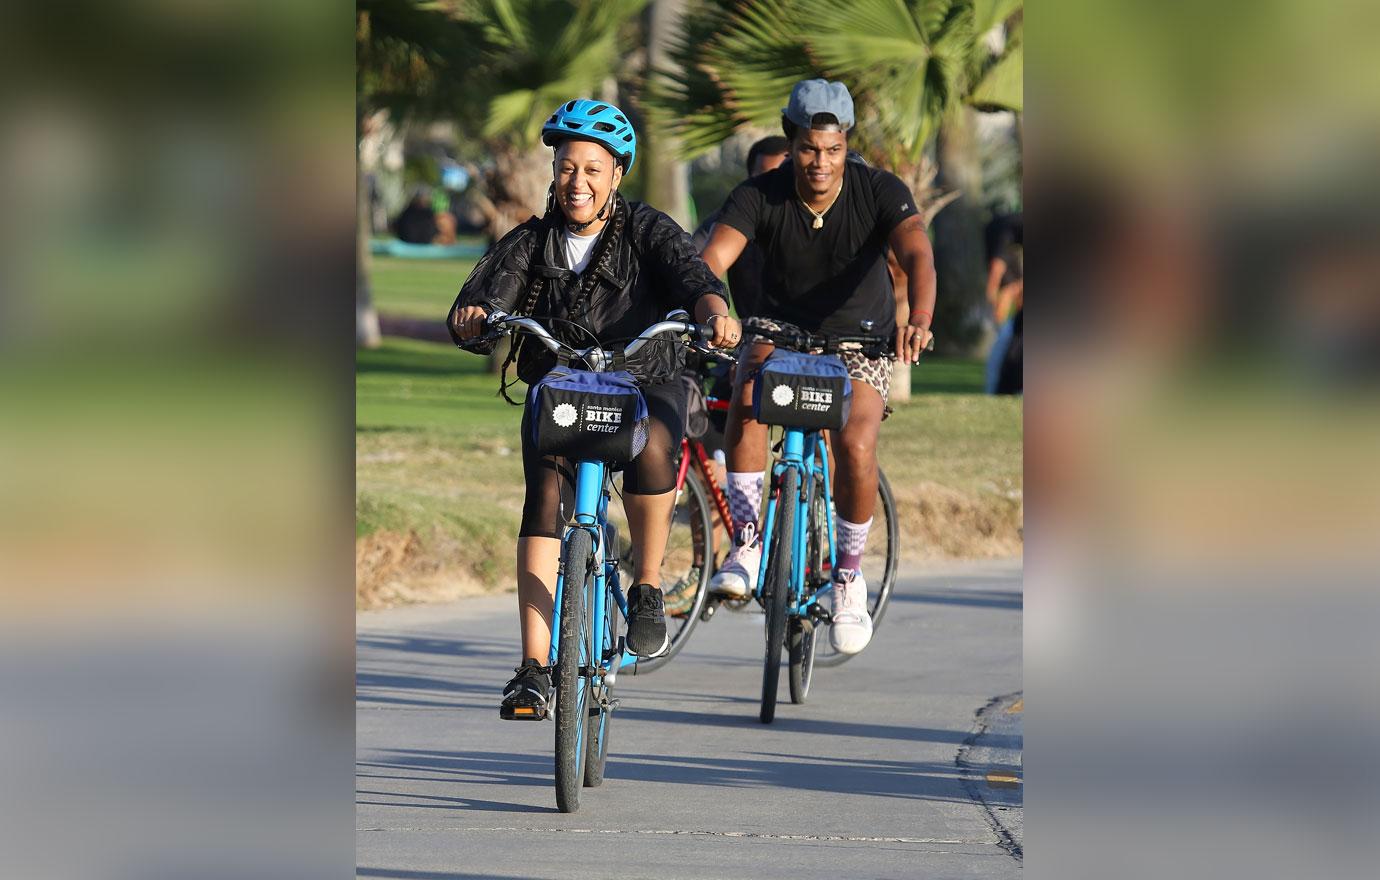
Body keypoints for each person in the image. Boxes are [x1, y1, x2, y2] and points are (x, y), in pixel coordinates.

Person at [447, 99, 741, 719]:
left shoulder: (648, 230)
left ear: (616, 176)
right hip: (563, 382)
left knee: (655, 443)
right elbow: (486, 290)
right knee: (543, 494)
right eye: (565, 168)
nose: (576, 182)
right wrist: (472, 315)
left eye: (592, 169)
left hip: (644, 375)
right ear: (553, 172)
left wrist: (713, 311)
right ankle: (532, 668)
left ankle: (647, 588)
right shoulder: (532, 239)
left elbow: (693, 278)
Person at [699, 79, 936, 654]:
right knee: (748, 397)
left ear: (846, 143)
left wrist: (920, 317)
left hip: (861, 342)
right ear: (791, 140)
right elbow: (712, 260)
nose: (821, 163)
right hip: (778, 333)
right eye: (809, 148)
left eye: (832, 149)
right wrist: (713, 309)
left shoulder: (879, 190)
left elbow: (917, 251)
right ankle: (748, 544)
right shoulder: (759, 195)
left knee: (855, 443)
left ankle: (848, 579)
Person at [984, 211, 1023, 394]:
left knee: (1009, 290)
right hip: (1003, 231)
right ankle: (1000, 327)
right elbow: (996, 267)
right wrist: (991, 294)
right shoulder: (1004, 233)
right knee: (1006, 290)